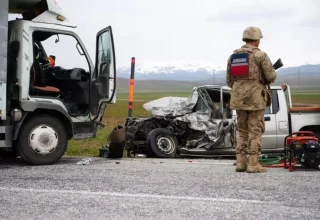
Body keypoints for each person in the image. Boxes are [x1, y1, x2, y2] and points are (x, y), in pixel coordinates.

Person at [226, 26, 277, 173]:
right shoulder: (260, 55)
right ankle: (253, 164)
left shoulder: (233, 57)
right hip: (255, 99)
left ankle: (241, 163)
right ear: (256, 40)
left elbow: (229, 81)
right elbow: (271, 77)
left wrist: (241, 88)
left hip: (239, 99)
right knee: (255, 131)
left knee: (242, 131)